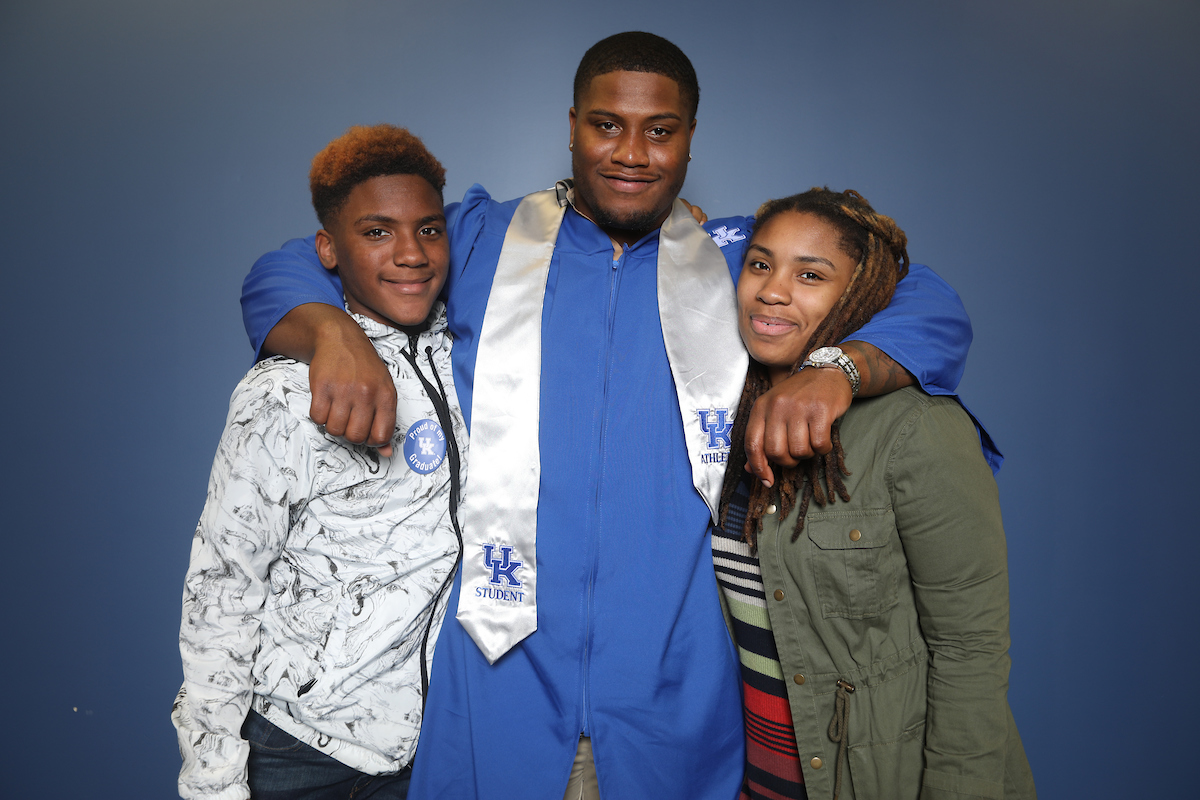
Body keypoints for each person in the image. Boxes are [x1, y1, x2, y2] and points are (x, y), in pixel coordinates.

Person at [239, 33, 988, 800]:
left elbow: (924, 297)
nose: (631, 152)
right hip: (498, 689)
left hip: (673, 694)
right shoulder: (478, 238)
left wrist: (839, 369)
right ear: (571, 126)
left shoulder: (736, 260)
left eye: (659, 131)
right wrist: (331, 331)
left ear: (690, 139)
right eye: (606, 125)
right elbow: (292, 264)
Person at [173, 124, 467, 800]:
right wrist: (213, 780)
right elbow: (221, 589)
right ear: (329, 250)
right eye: (376, 233)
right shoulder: (281, 391)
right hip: (300, 752)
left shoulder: (471, 357)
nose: (410, 254)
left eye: (428, 230)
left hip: (433, 751)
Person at [714, 188, 1035, 800]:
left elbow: (971, 648)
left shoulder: (917, 428)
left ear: (858, 295)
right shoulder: (719, 421)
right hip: (755, 780)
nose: (772, 291)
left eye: (811, 275)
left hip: (875, 778)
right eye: (760, 264)